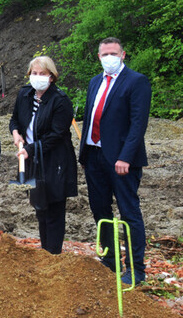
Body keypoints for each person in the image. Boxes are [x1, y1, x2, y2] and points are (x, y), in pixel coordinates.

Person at [79, 37, 151, 283]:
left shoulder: (136, 82)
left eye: (113, 53)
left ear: (123, 54)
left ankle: (135, 269)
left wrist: (125, 157)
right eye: (104, 54)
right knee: (101, 211)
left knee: (129, 213)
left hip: (122, 161)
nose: (108, 57)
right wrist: (85, 155)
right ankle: (110, 262)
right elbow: (90, 118)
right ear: (98, 57)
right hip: (94, 156)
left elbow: (138, 124)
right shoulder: (94, 82)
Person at [10, 56, 78, 254]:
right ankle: (44, 252)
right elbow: (15, 120)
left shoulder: (61, 100)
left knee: (54, 209)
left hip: (55, 160)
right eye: (34, 73)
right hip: (33, 160)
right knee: (40, 207)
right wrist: (15, 133)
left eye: (42, 74)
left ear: (52, 76)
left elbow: (56, 135)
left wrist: (29, 150)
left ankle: (53, 254)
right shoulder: (24, 95)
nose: (37, 77)